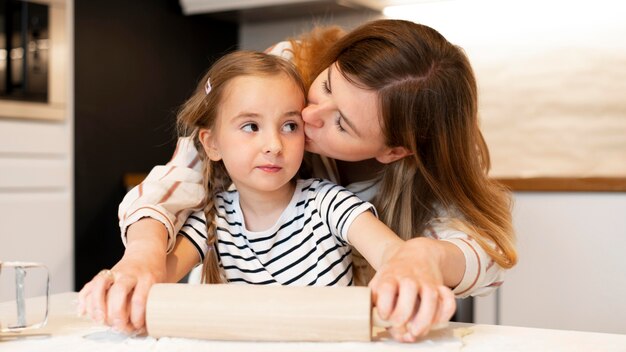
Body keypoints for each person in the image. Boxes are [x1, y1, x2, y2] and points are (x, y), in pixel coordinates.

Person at [79, 19, 517, 342]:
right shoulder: (285, 70)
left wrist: (421, 258)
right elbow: (183, 176)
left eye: (342, 124)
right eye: (326, 85)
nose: (306, 117)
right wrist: (142, 259)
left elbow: (481, 249)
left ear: (394, 151)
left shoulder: (335, 201)